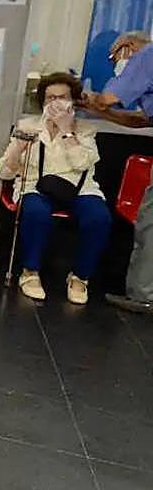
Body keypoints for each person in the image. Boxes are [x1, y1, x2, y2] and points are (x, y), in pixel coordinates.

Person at [0, 72, 110, 304]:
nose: (56, 103)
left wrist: (67, 131)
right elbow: (4, 172)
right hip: (36, 186)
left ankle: (80, 277)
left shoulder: (86, 129)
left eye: (62, 97)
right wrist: (18, 147)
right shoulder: (28, 126)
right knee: (35, 212)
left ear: (73, 100)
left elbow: (82, 163)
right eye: (50, 98)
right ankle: (30, 273)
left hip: (78, 189)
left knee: (99, 218)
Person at [82, 31, 153, 312]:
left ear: (127, 47)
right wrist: (99, 112)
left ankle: (144, 295)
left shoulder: (145, 56)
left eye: (115, 56)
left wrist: (92, 101)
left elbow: (108, 98)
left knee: (151, 222)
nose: (116, 63)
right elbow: (141, 121)